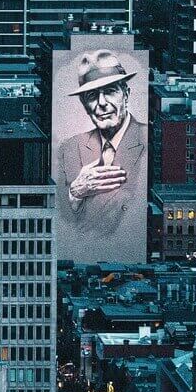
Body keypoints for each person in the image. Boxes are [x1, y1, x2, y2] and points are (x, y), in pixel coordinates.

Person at [55, 49, 146, 250]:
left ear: (126, 94)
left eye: (111, 91)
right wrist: (75, 192)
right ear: (84, 104)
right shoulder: (70, 147)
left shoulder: (148, 140)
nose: (101, 103)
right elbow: (61, 215)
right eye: (92, 96)